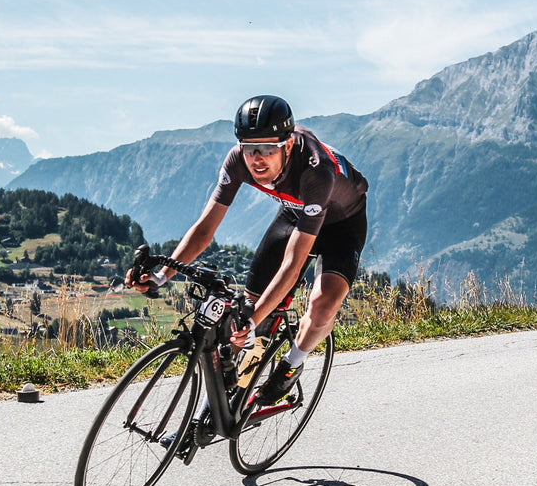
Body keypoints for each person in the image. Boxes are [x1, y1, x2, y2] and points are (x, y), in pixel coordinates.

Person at [127, 94, 368, 406]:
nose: (258, 158)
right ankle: (214, 408)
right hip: (296, 213)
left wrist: (254, 321)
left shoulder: (315, 171)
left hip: (341, 223)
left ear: (289, 145)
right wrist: (162, 276)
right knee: (245, 311)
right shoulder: (237, 160)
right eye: (250, 148)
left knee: (323, 305)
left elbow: (293, 266)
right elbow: (203, 230)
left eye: (269, 149)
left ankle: (292, 363)